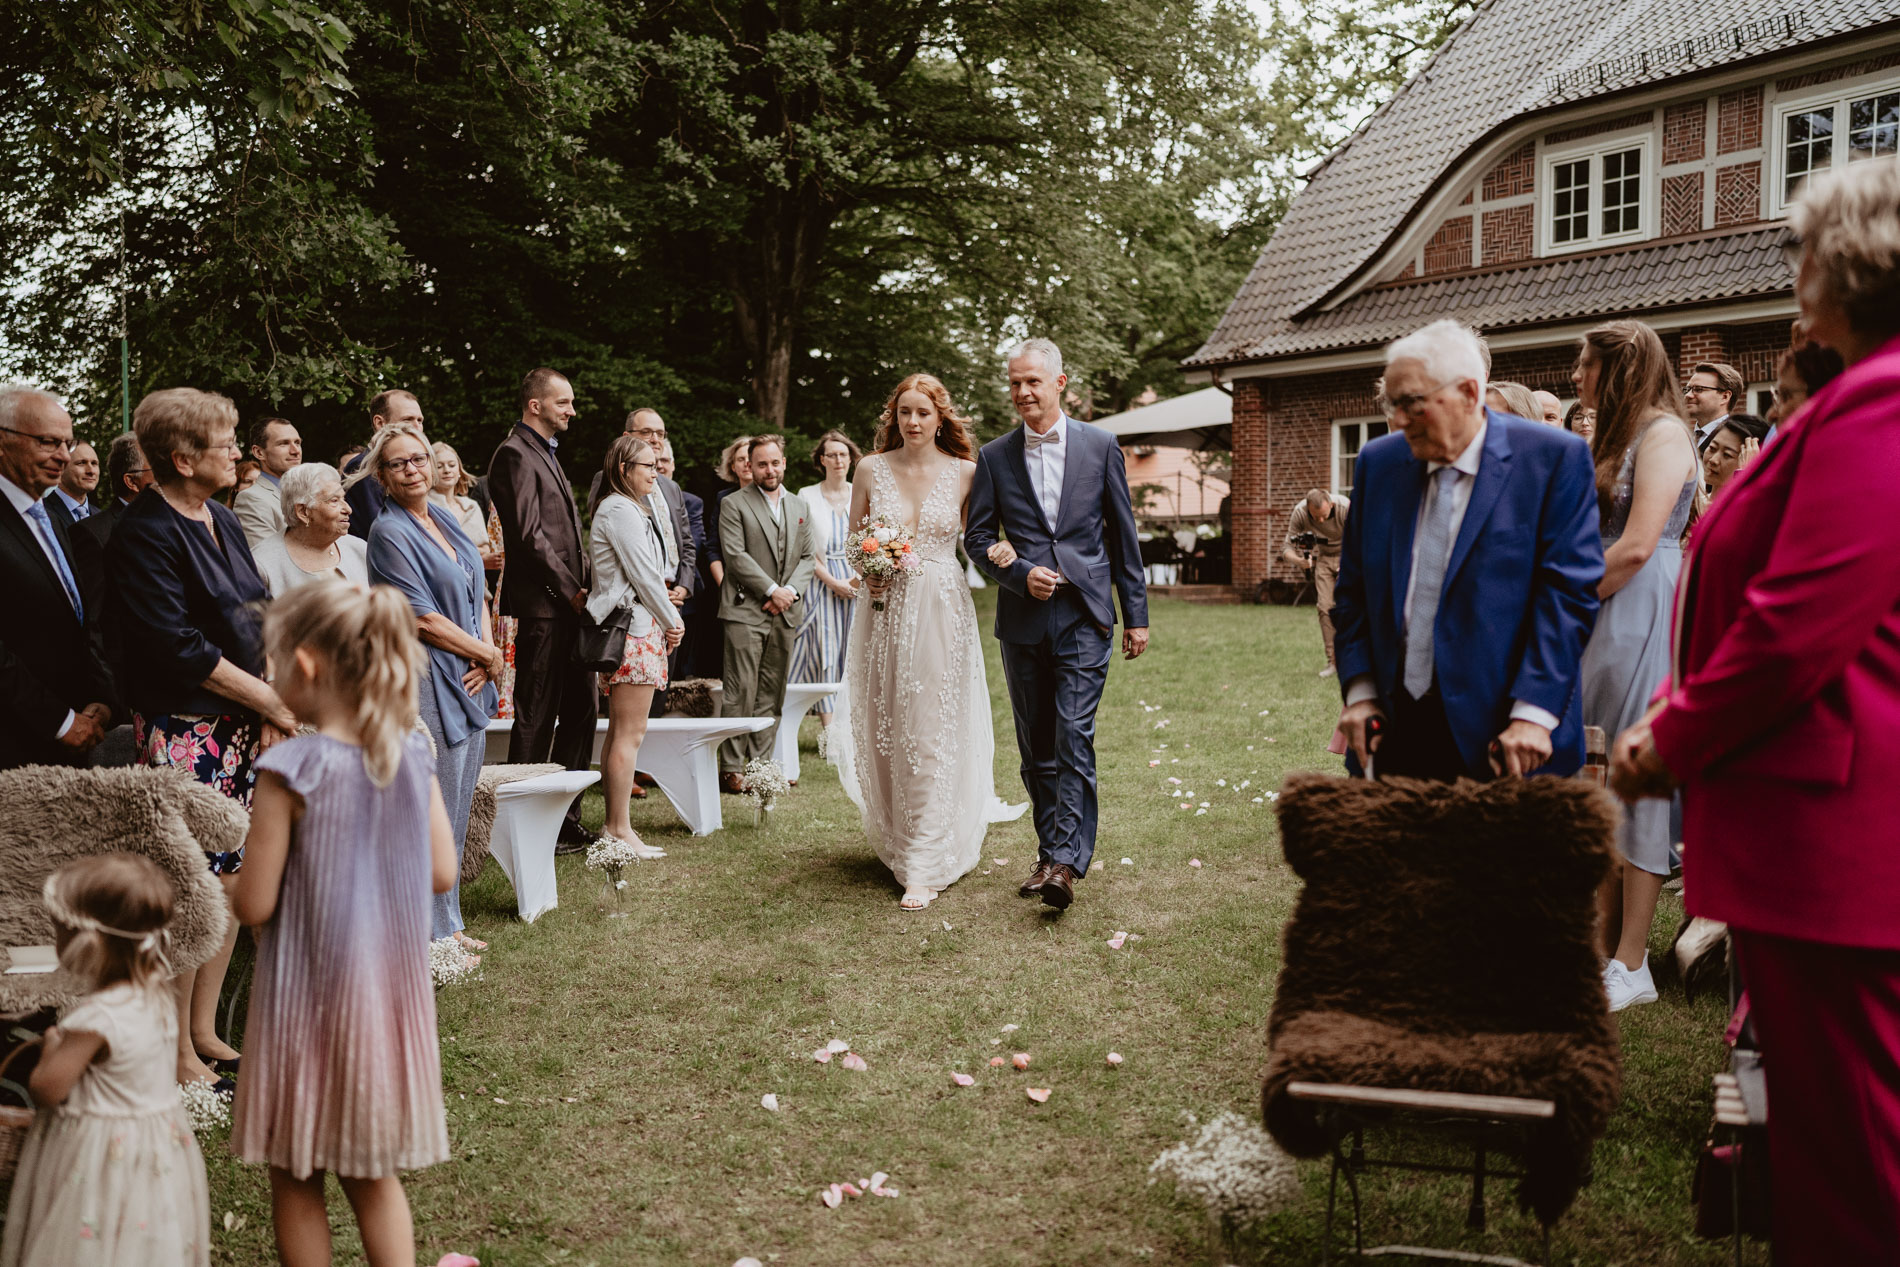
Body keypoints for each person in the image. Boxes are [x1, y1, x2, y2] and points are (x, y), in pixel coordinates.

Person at [1609, 157, 1900, 1264]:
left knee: (1859, 1166)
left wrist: (1664, 740)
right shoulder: (1855, 389)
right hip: (1815, 842)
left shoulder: (1881, 399)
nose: (1790, 272)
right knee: (1820, 1152)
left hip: (1842, 847)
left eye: (1798, 249)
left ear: (1848, 260)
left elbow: (1794, 624)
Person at [231, 581, 455, 1267]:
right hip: (384, 1002)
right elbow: (443, 872)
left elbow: (256, 904)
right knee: (370, 1169)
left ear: (304, 664)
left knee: (296, 1170)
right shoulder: (412, 754)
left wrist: (226, 882)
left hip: (304, 999)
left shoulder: (290, 767)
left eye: (269, 663)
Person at [106, 387, 294, 1089]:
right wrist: (269, 698)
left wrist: (274, 707)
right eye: (224, 443)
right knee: (194, 885)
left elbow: (260, 615)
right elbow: (176, 646)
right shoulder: (144, 531)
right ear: (182, 458)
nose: (237, 453)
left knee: (235, 874)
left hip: (247, 722)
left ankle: (207, 1030)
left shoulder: (218, 514)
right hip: (189, 729)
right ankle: (177, 1054)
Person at [1331, 319, 1603, 783]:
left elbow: (1567, 596)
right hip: (1392, 727)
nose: (1396, 420)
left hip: (1508, 734)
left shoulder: (1552, 459)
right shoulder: (1380, 463)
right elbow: (1354, 591)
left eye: (1411, 404)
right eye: (1390, 405)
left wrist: (1533, 713)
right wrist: (1360, 692)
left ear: (1470, 393)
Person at [966, 338, 1150, 912]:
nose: (1022, 393)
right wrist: (1019, 573)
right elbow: (976, 538)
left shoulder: (1101, 446)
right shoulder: (994, 456)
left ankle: (1065, 863)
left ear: (1059, 383)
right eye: (1015, 383)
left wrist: (1135, 615)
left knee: (1074, 736)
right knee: (1035, 745)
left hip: (1084, 613)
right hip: (1023, 619)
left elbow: (1122, 536)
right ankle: (1050, 853)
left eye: (1033, 383)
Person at [1571, 320, 1700, 1011]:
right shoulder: (1611, 435)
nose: (1575, 377)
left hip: (1640, 603)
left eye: (1584, 364)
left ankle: (1633, 961)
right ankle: (1598, 948)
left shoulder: (1664, 434)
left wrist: (1558, 596)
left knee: (1638, 773)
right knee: (1596, 771)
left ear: (1616, 368)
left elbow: (1638, 544)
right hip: (1602, 608)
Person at [836, 381, 1000, 909]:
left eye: (922, 412)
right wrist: (869, 570)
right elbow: (851, 543)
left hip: (939, 609)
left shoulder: (966, 473)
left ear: (939, 417)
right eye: (904, 412)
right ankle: (901, 839)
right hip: (882, 612)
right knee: (887, 723)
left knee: (929, 726)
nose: (912, 421)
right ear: (894, 416)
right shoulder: (869, 469)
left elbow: (980, 539)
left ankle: (925, 862)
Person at [2, 854, 209, 1267]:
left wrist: (52, 1044)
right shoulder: (157, 997)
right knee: (133, 1238)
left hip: (98, 1156)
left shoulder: (96, 1018)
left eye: (59, 929)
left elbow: (47, 1089)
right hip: (151, 1154)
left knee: (89, 1235)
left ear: (86, 941)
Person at [365, 423, 500, 956]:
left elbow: (478, 591)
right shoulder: (389, 533)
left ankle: (450, 923)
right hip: (427, 680)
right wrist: (483, 653)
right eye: (399, 464)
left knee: (459, 807)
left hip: (470, 673)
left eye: (418, 458)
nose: (413, 469)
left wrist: (487, 657)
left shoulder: (443, 515)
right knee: (431, 809)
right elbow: (419, 617)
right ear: (382, 476)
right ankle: (428, 931)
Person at [487, 368, 595, 842]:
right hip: (545, 608)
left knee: (582, 710)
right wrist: (570, 591)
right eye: (563, 402)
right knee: (535, 714)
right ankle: (522, 825)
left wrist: (591, 586)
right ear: (536, 405)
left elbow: (566, 533)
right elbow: (529, 538)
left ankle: (565, 822)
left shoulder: (546, 453)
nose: (571, 410)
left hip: (571, 607)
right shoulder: (513, 454)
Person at [0, 387, 116, 770]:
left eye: (67, 443)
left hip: (74, 738)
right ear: (3, 442)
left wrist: (101, 698)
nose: (64, 457)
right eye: (49, 442)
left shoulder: (49, 517)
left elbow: (82, 619)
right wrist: (59, 721)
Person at [589, 435, 683, 858]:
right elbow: (646, 575)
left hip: (634, 630)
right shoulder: (620, 510)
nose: (655, 470)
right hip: (635, 632)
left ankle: (615, 826)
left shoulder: (625, 508)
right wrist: (672, 620)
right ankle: (619, 828)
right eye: (647, 464)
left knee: (621, 732)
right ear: (624, 469)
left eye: (658, 463)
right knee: (630, 733)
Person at [716, 435, 814, 789]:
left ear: (783, 463)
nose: (769, 470)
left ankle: (761, 768)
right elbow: (735, 555)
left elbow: (807, 557)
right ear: (750, 467)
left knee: (772, 692)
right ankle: (731, 767)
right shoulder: (734, 504)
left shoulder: (799, 505)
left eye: (775, 463)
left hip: (785, 612)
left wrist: (789, 593)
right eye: (761, 464)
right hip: (744, 609)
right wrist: (772, 590)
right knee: (741, 688)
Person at [791, 429, 861, 722]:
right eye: (831, 455)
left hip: (859, 581)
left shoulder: (861, 491)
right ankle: (829, 732)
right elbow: (803, 550)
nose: (837, 460)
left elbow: (874, 541)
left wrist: (855, 581)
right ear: (822, 460)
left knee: (856, 651)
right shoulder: (806, 496)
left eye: (842, 454)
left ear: (850, 458)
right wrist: (834, 582)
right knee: (825, 650)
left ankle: (854, 725)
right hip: (821, 582)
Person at [249, 463, 370, 594]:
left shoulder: (359, 549)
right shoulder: (261, 565)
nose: (348, 509)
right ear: (303, 512)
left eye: (343, 498)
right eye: (334, 500)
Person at [1280, 488, 1349, 678]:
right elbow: (1286, 548)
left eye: (1323, 516)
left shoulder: (1345, 507)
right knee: (1325, 607)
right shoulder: (1301, 512)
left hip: (1348, 556)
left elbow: (1363, 539)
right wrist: (1300, 561)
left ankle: (1357, 660)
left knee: (1353, 607)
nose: (1319, 521)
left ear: (1332, 506)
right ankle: (1333, 662)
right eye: (1315, 516)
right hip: (1325, 558)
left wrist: (1351, 563)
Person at [344, 390, 424, 540]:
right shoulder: (363, 467)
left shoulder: (417, 465)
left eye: (420, 421)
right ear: (380, 423)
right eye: (407, 420)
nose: (417, 427)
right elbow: (383, 534)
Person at [233, 417, 302, 548]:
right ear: (259, 452)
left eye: (297, 443)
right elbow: (268, 561)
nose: (295, 451)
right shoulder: (251, 499)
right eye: (284, 443)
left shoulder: (310, 492)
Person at [428, 442, 491, 551]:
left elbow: (486, 548)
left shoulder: (471, 507)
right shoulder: (424, 506)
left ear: (459, 470)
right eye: (439, 466)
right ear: (430, 472)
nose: (447, 470)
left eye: (452, 465)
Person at [1701, 413, 1768, 500]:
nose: (1713, 460)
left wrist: (1746, 473)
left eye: (1727, 455)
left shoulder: (1744, 508)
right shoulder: (1692, 505)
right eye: (1712, 448)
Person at [1682, 361, 1743, 452]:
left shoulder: (1738, 441)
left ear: (1724, 397)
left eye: (1698, 389)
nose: (1688, 395)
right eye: (1687, 389)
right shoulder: (1684, 438)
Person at [42, 439, 99, 527]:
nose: (91, 471)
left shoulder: (100, 516)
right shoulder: (42, 512)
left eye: (94, 463)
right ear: (60, 469)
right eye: (81, 463)